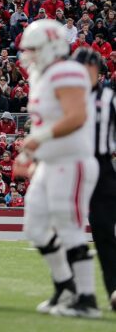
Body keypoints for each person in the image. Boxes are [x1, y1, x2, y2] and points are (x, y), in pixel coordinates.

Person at [17, 20, 100, 318]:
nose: (29, 55)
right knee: (36, 228)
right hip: (50, 163)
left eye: (34, 49)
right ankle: (66, 286)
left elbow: (76, 116)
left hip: (71, 161)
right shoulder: (42, 75)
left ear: (52, 46)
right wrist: (33, 151)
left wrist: (39, 138)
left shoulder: (67, 71)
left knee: (70, 227)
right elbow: (45, 121)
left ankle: (87, 299)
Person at [71, 47, 116, 310]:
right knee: (70, 230)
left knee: (103, 230)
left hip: (101, 166)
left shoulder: (110, 97)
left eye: (89, 68)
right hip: (72, 165)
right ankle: (68, 289)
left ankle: (113, 289)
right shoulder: (67, 97)